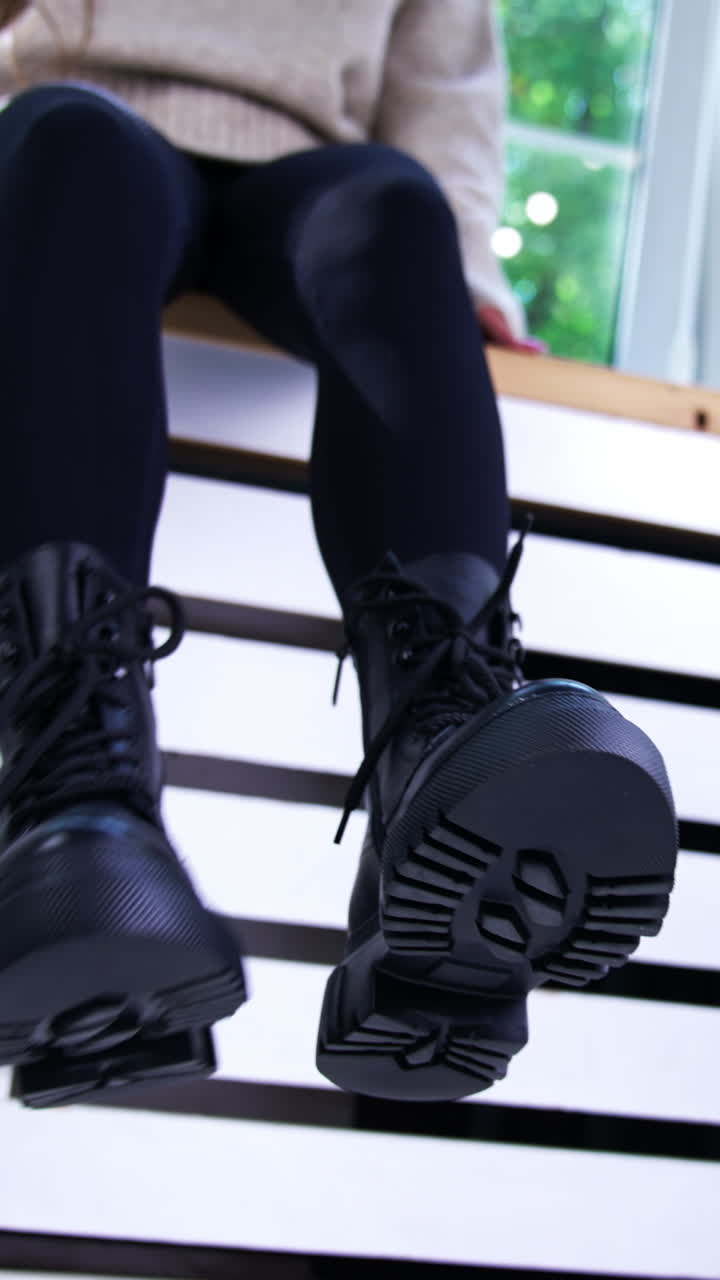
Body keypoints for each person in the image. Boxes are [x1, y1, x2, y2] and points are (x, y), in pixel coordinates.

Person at [0, 0, 677, 1109]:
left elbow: (444, 89)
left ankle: (441, 759)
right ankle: (76, 800)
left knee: (397, 206)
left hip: (305, 171)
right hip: (82, 132)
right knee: (69, 144)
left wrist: (468, 286)